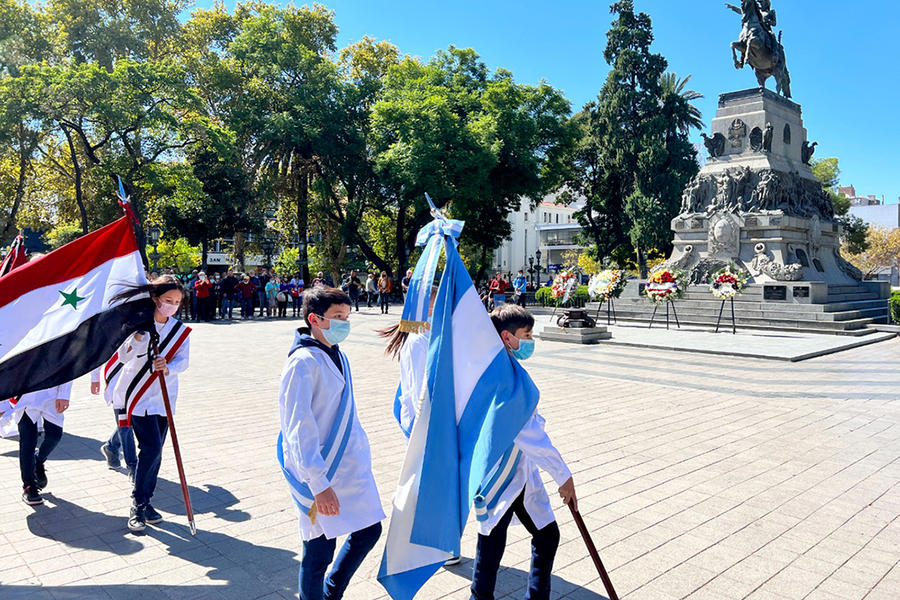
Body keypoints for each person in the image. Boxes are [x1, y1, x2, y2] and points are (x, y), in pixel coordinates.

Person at [278, 286, 384, 600]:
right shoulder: (302, 363)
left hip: (347, 467)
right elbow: (298, 428)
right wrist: (318, 482)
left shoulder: (337, 354)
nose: (344, 323)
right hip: (318, 471)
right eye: (337, 317)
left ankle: (330, 592)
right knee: (318, 549)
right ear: (315, 319)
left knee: (368, 530)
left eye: (347, 317)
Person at [469, 304, 576, 600]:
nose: (530, 341)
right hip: (501, 474)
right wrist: (563, 476)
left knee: (541, 536)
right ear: (507, 337)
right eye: (526, 334)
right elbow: (530, 434)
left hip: (516, 472)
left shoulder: (502, 366)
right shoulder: (504, 375)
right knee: (494, 544)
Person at [111, 275, 191, 532]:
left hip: (164, 399)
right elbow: (121, 356)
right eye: (168, 300)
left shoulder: (179, 330)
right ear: (155, 299)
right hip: (137, 397)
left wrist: (167, 366)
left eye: (177, 302)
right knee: (152, 449)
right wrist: (136, 340)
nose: (172, 305)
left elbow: (183, 362)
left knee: (154, 454)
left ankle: (146, 502)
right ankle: (138, 503)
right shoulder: (139, 325)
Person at [1, 382, 72, 505]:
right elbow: (7, 366)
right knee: (28, 442)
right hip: (24, 397)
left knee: (54, 436)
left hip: (51, 394)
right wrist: (3, 403)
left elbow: (66, 364)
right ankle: (29, 487)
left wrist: (64, 394)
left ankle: (38, 461)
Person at [93, 359, 138, 481]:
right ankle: (133, 467)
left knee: (130, 422)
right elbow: (98, 352)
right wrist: (94, 378)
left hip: (139, 382)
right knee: (125, 426)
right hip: (117, 385)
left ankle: (111, 447)